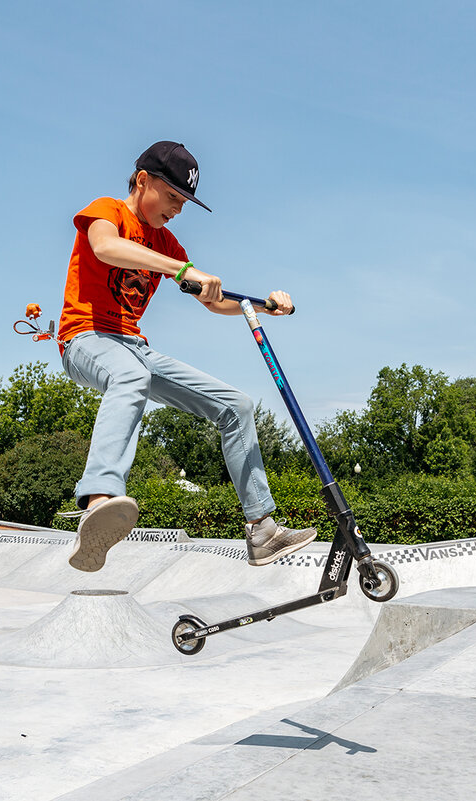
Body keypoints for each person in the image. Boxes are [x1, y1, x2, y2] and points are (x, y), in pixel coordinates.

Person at [57, 140, 317, 572]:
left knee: (236, 406)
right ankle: (97, 502)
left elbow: (214, 303)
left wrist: (264, 305)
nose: (177, 209)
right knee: (129, 378)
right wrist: (179, 269)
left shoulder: (167, 243)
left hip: (135, 349)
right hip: (84, 338)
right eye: (173, 197)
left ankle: (262, 531)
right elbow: (104, 247)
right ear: (143, 181)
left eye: (185, 203)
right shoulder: (108, 211)